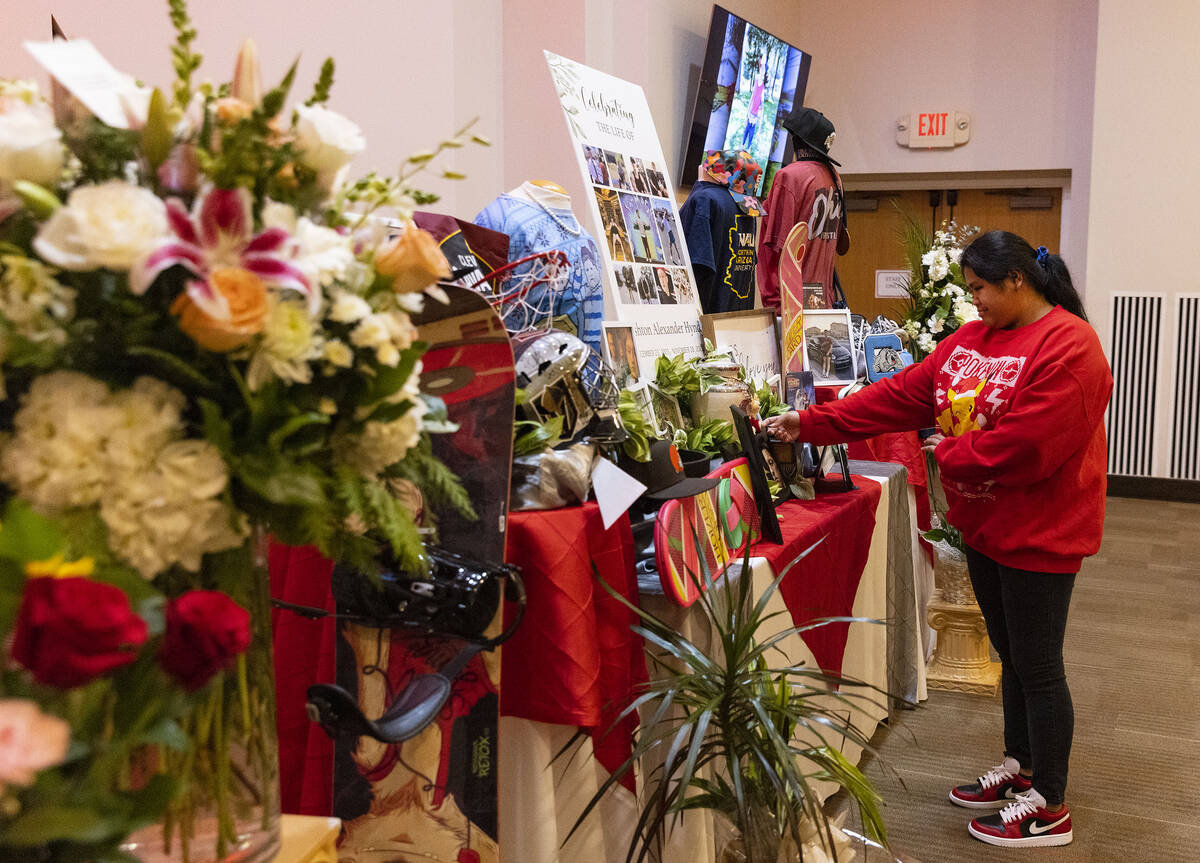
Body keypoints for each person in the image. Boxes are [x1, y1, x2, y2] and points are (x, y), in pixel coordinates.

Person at [764, 232, 1113, 850]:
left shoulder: (1070, 345)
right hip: (986, 528)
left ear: (1015, 281)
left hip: (1042, 535)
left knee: (1038, 666)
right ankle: (1021, 767)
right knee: (1012, 656)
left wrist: (954, 453)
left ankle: (1050, 804)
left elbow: (1034, 444)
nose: (972, 300)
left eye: (979, 288)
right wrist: (813, 421)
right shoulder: (970, 340)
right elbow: (900, 396)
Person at [757, 106, 848, 313]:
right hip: (822, 302)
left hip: (792, 305)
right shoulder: (834, 178)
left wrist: (776, 304)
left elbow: (777, 246)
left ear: (796, 139)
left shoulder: (789, 176)